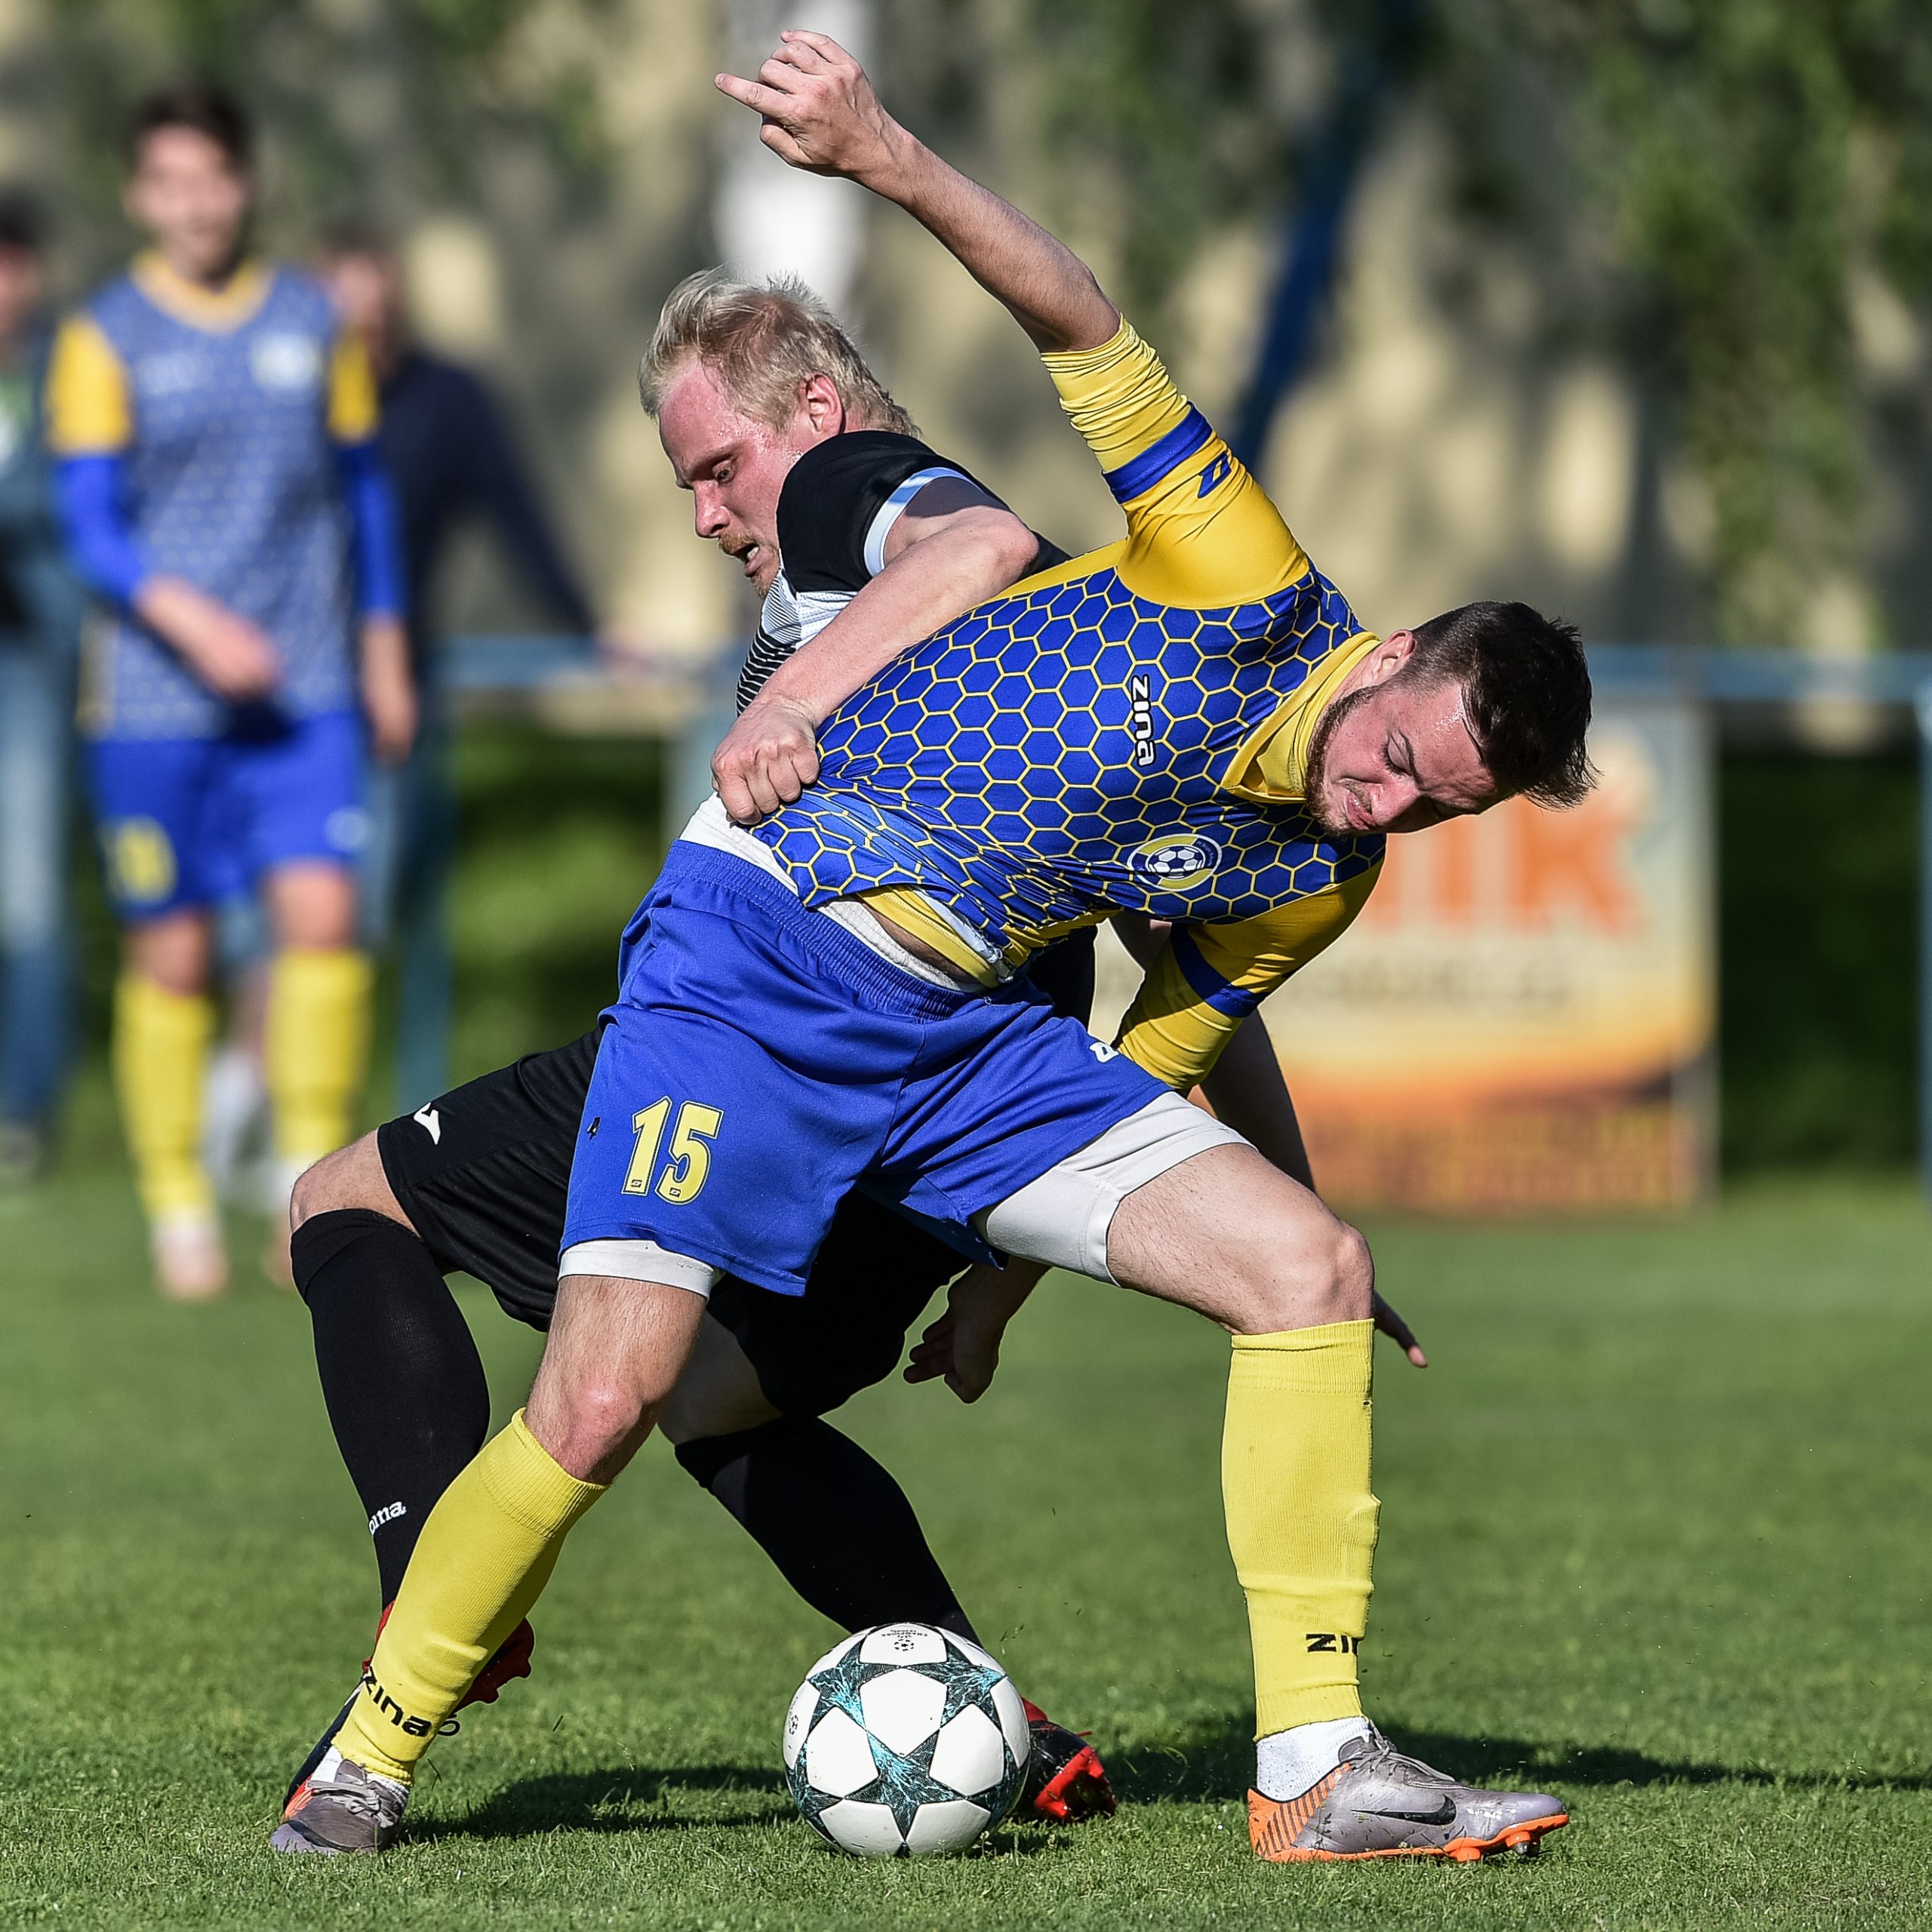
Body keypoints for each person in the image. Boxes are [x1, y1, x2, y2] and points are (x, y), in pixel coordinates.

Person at [275, 35, 1589, 1864]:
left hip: (967, 1040)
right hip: (760, 953)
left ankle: (1315, 1770)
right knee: (606, 1391)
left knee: (1305, 1264)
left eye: (1436, 809)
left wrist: (995, 1282)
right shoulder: (1235, 569)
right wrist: (879, 149)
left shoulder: (1317, 874)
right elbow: (1072, 313)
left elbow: (1160, 1057)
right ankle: (369, 1749)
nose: (1383, 806)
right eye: (1394, 761)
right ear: (1380, 659)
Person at [46, 80, 413, 1299]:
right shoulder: (103, 339)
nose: (194, 203)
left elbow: (364, 495)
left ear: (244, 184)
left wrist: (383, 647)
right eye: (170, 182)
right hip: (154, 701)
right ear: (138, 195)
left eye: (212, 177)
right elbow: (90, 527)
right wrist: (192, 623)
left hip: (305, 694)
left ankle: (308, 1189)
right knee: (176, 952)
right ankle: (177, 1203)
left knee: (323, 925)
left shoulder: (314, 323)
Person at [318, 227, 599, 1112]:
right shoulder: (289, 398)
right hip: (274, 690)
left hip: (385, 689)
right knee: (265, 922)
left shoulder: (446, 399)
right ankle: (251, 1103)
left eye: (375, 314)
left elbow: (517, 515)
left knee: (351, 913)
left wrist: (589, 629)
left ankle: (299, 1123)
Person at [0, 194, 84, 1187]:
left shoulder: (66, 365)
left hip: (29, 661)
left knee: (27, 896)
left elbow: (64, 493)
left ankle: (24, 1106)